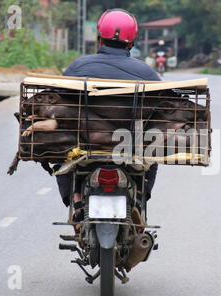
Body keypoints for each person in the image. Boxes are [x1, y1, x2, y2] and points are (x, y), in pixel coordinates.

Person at [55, 8, 160, 222]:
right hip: (131, 146)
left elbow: (59, 103)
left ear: (99, 39)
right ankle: (139, 199)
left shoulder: (78, 67)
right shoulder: (147, 73)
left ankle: (75, 199)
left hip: (84, 144)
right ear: (131, 43)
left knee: (59, 149)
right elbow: (160, 109)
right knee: (153, 148)